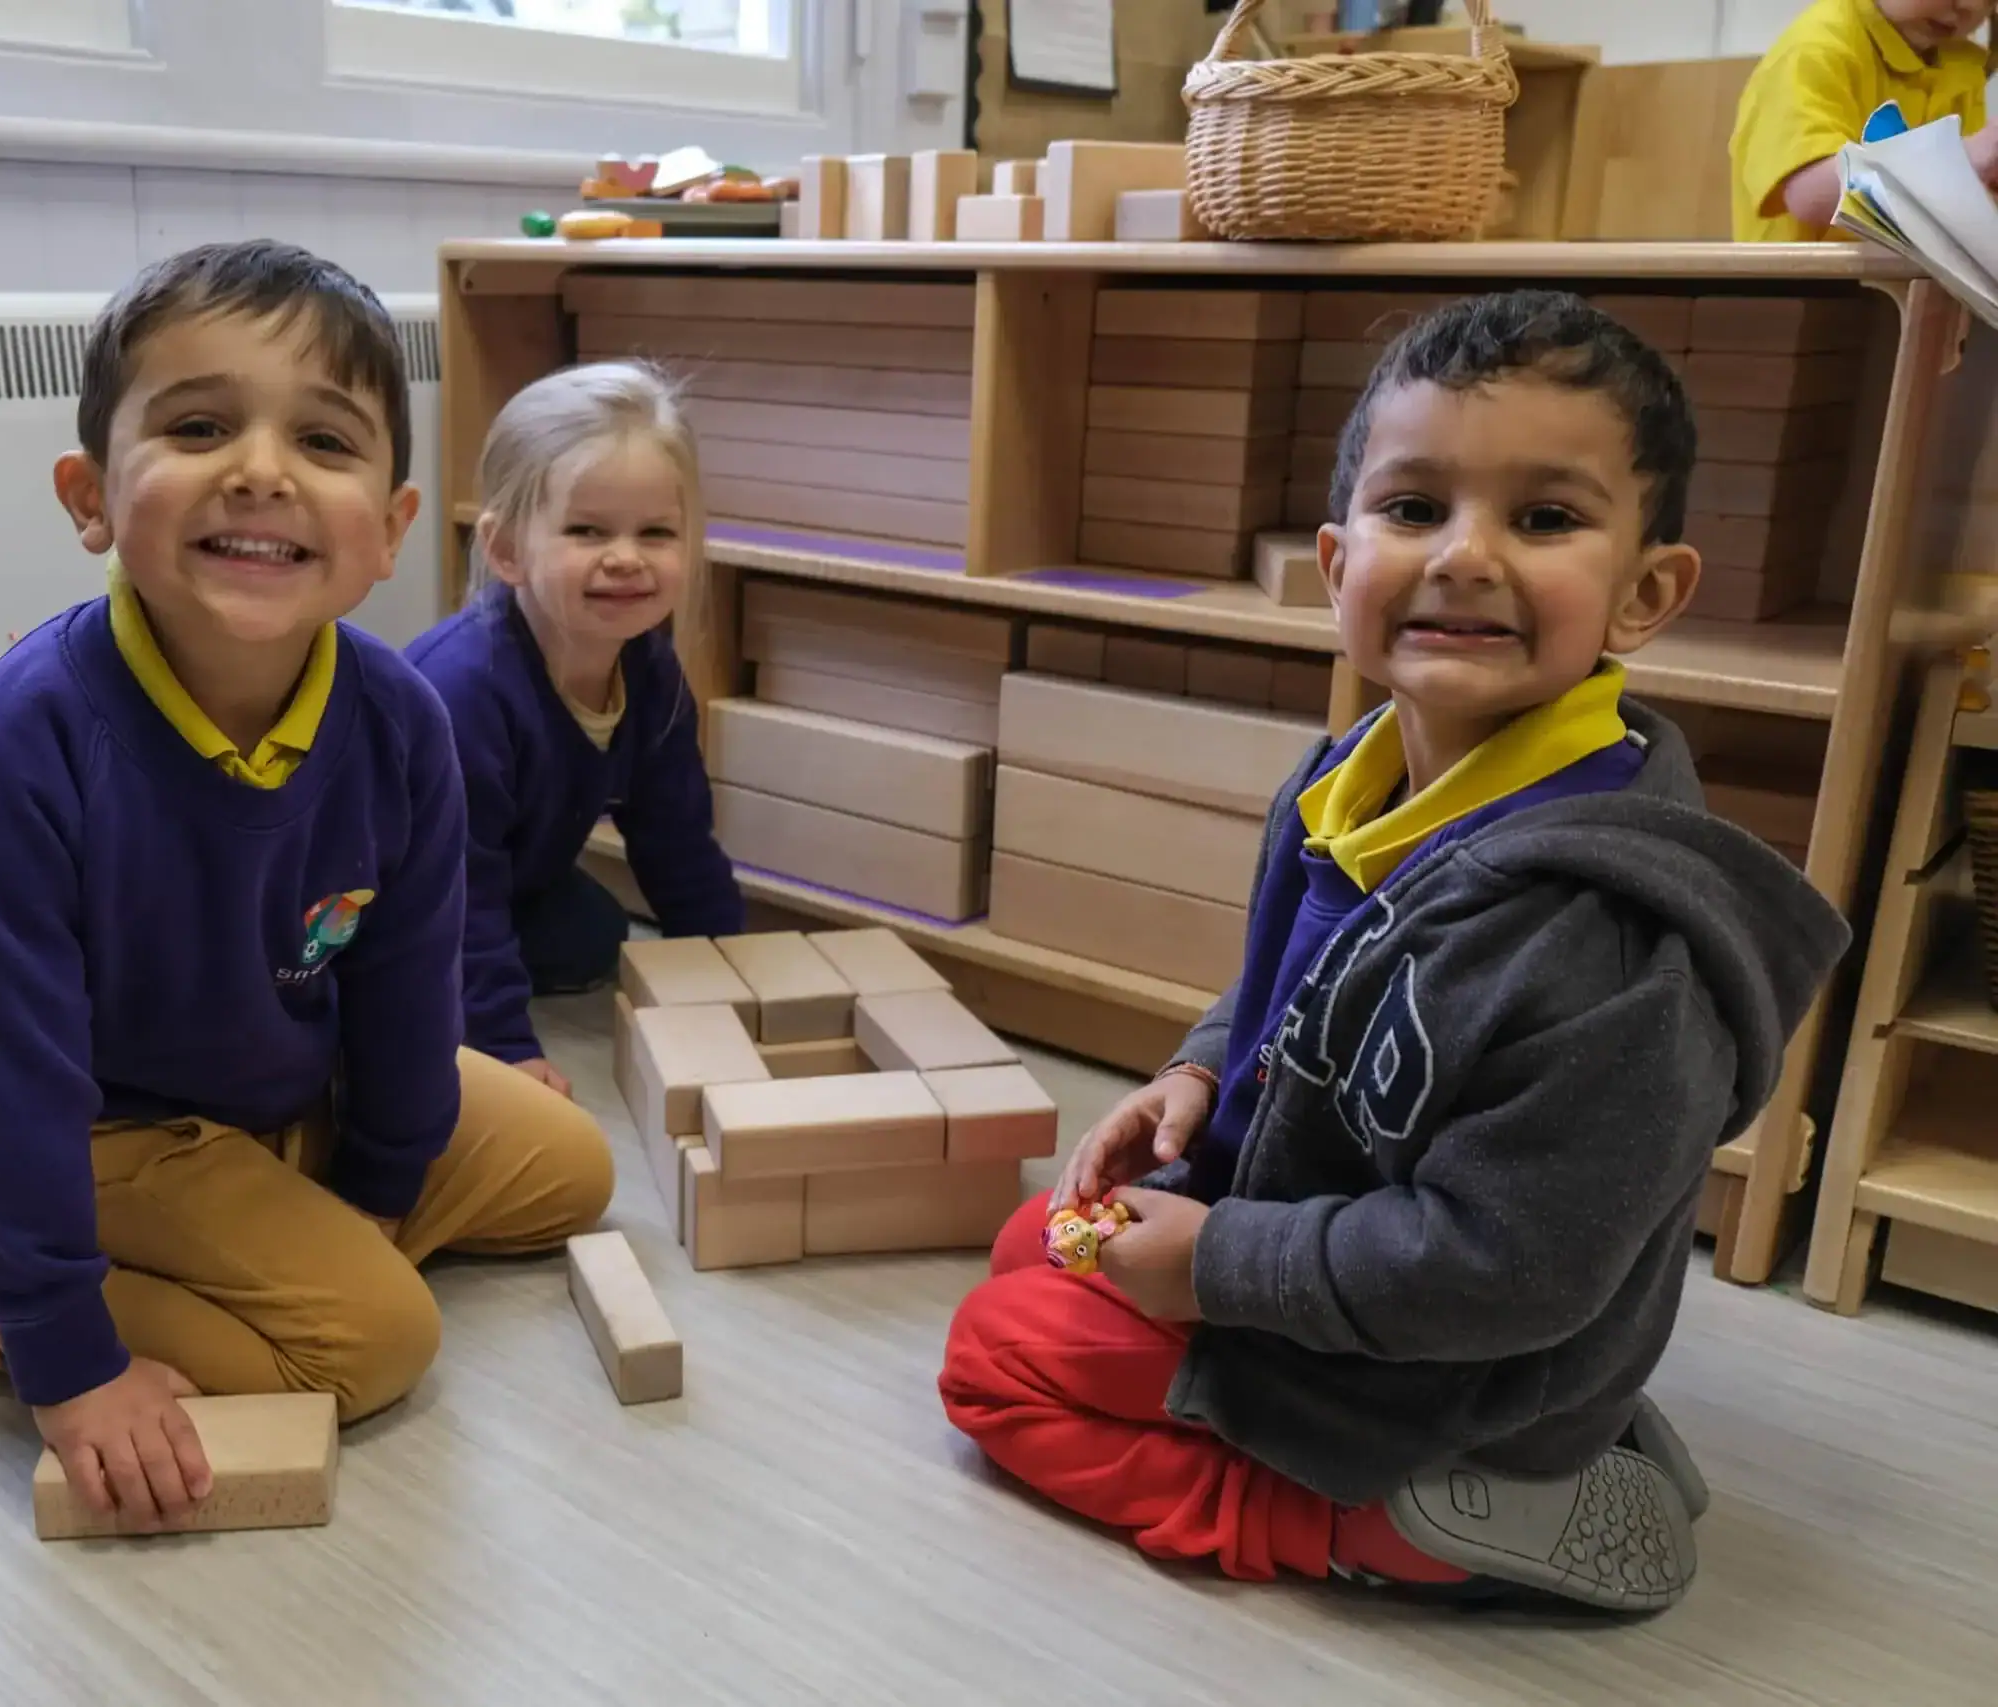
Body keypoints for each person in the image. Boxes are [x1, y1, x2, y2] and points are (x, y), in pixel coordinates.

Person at [938, 291, 1848, 1612]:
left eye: (1543, 517)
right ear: (1337, 560)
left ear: (1647, 592)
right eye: (1415, 507)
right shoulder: (1347, 781)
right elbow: (1296, 992)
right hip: (1321, 1250)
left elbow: (1511, 1269)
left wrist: (1212, 1268)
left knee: (993, 1357)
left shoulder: (1608, 939)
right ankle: (1489, 1454)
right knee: (1039, 1237)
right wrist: (1198, 1073)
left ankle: (1382, 1515)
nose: (1464, 555)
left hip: (1443, 1353)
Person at [0, 241, 614, 1530]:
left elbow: (399, 982)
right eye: (200, 425)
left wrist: (377, 1190)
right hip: (114, 1129)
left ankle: (247, 1228)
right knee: (376, 1350)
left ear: (387, 531)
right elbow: (2, 1072)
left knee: (572, 1170)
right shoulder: (17, 749)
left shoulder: (398, 722)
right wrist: (65, 1359)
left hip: (286, 1090)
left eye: (324, 443)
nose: (260, 469)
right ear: (92, 495)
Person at [405, 362, 743, 1093]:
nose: (625, 557)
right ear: (506, 550)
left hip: (513, 876)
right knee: (409, 973)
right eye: (587, 530)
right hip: (383, 897)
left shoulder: (650, 671)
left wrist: (730, 973)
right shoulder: (462, 691)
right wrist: (502, 1044)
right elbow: (458, 886)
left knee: (597, 936)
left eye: (656, 532)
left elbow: (678, 839)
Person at [1731, 0, 1994, 241]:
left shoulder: (1960, 65)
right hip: (1800, 286)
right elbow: (1811, 196)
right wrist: (1959, 160)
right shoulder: (1814, 50)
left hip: (1900, 282)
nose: (1970, 5)